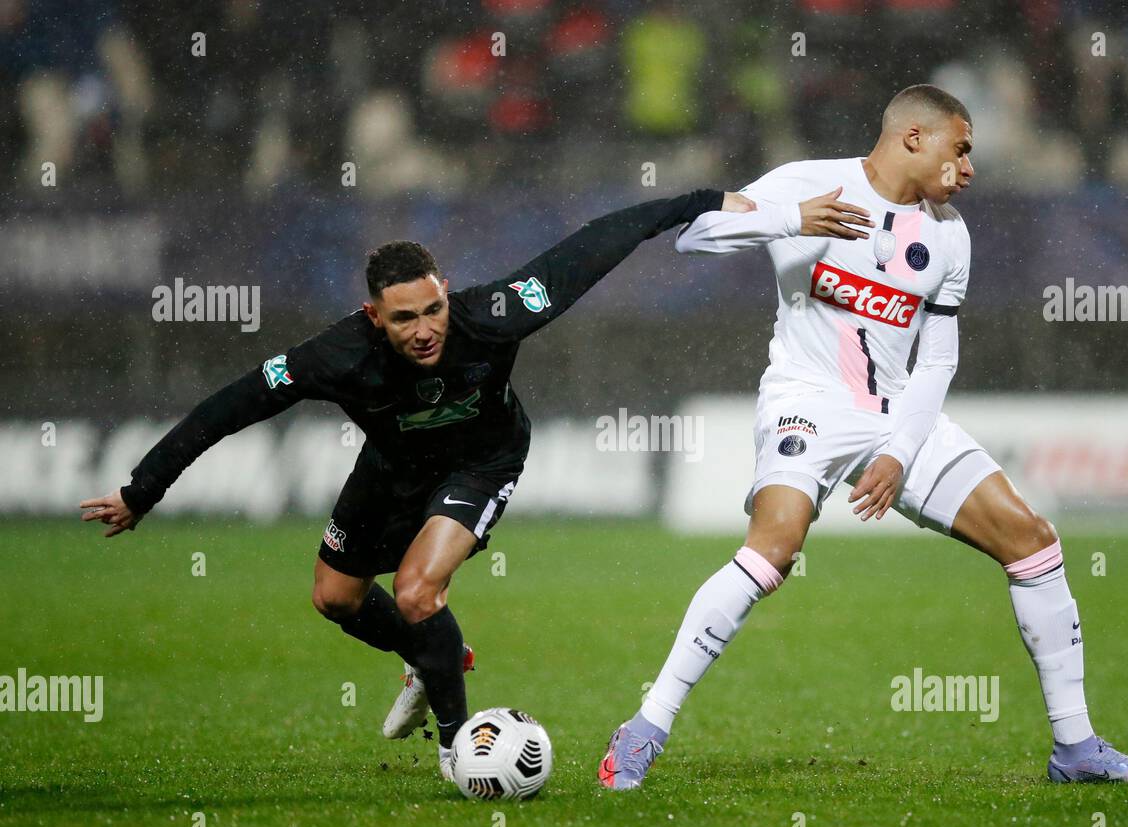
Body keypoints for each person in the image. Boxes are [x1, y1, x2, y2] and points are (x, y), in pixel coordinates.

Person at [599, 84, 1128, 789]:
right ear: (913, 137)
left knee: (1033, 540)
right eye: (960, 149)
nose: (968, 168)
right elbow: (694, 236)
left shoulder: (949, 235)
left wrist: (901, 451)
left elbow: (937, 359)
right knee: (774, 547)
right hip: (805, 400)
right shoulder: (807, 182)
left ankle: (1077, 748)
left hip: (898, 413)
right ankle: (645, 726)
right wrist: (789, 218)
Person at [80, 188, 739, 779]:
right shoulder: (337, 356)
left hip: (481, 462)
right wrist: (145, 488)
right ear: (373, 316)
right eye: (404, 319)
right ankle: (432, 656)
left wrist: (701, 201)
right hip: (391, 471)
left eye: (433, 309)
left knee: (418, 590)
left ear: (446, 291)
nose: (425, 330)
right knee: (335, 597)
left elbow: (593, 243)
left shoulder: (493, 314)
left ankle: (458, 748)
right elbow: (234, 401)